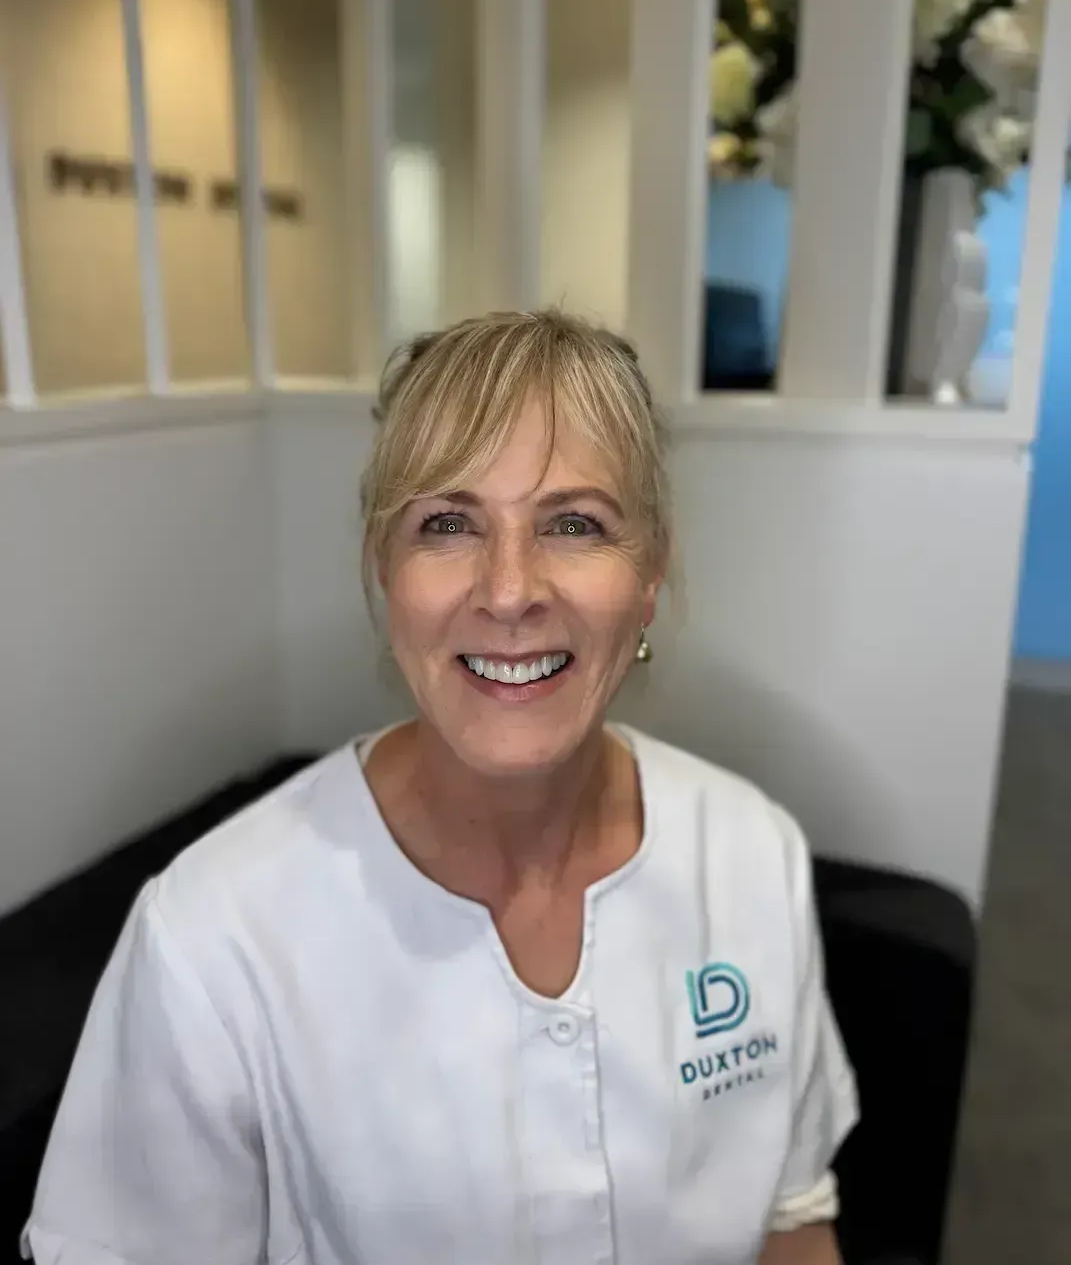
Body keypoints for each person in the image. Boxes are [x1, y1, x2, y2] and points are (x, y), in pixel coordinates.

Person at [23, 310, 858, 1265]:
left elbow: (792, 1222)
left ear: (649, 574)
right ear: (385, 570)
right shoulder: (211, 940)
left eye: (574, 523)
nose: (508, 591)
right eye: (448, 525)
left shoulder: (750, 851)